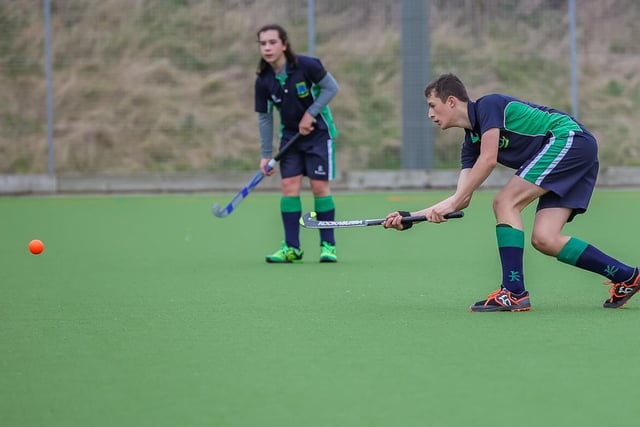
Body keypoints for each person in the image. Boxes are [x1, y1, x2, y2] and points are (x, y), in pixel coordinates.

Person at [383, 73, 639, 312]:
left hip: (569, 140)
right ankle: (628, 276)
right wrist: (411, 218)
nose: (429, 114)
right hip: (568, 154)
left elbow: (489, 159)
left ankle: (513, 292)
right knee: (545, 239)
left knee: (505, 202)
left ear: (451, 101)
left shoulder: (489, 106)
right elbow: (461, 198)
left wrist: (452, 203)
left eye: (431, 105)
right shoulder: (470, 144)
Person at [254, 24, 340, 263]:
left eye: (272, 42)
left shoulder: (307, 65)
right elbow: (264, 117)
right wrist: (265, 154)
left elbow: (331, 88)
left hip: (319, 133)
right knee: (289, 186)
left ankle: (328, 246)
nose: (268, 48)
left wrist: (310, 114)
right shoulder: (264, 80)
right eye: (263, 43)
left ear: (284, 44)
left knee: (319, 187)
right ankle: (292, 248)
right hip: (290, 138)